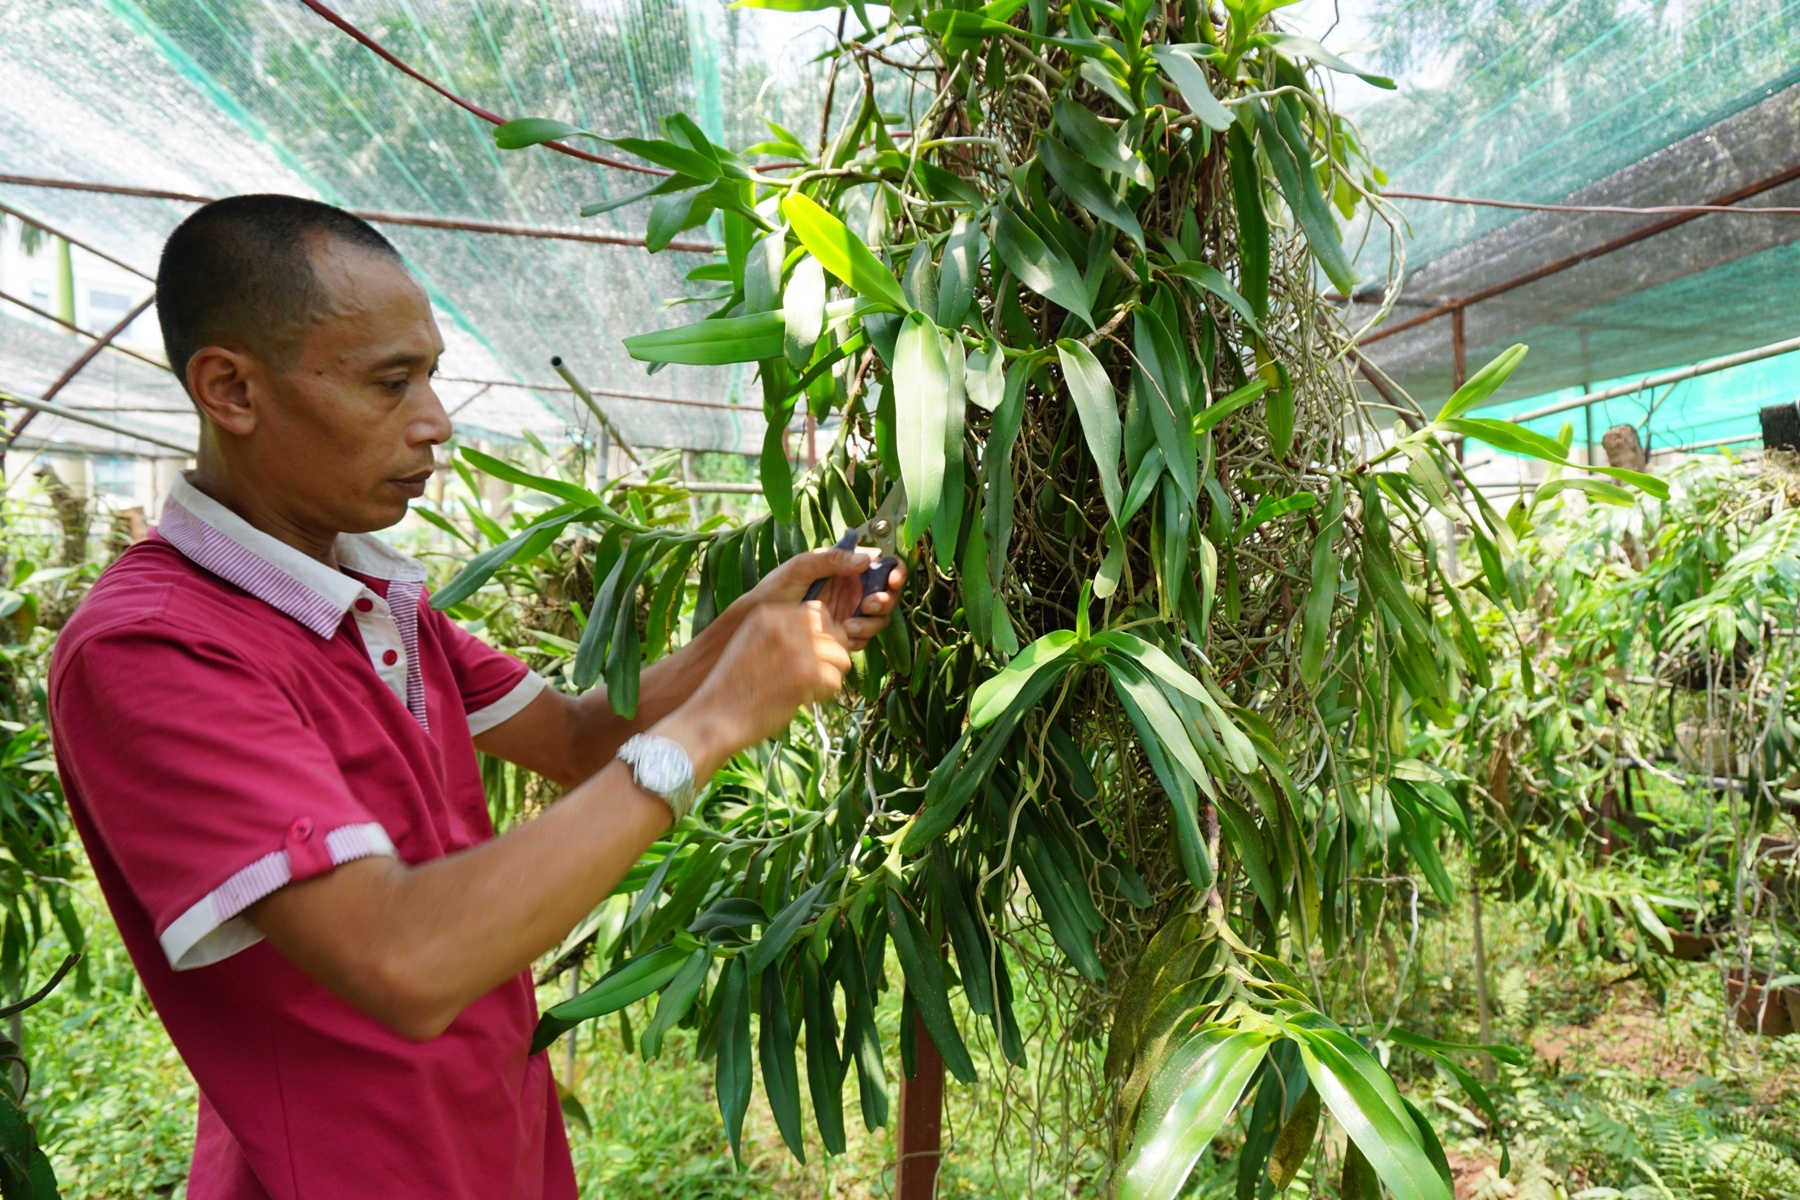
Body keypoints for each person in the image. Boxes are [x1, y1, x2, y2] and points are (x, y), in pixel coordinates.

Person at [48, 195, 903, 1199]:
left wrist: (751, 621)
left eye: (431, 377)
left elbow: (580, 738)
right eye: (389, 382)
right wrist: (719, 721)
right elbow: (404, 958)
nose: (436, 423)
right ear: (231, 389)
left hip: (493, 1136)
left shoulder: (377, 600)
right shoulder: (155, 648)